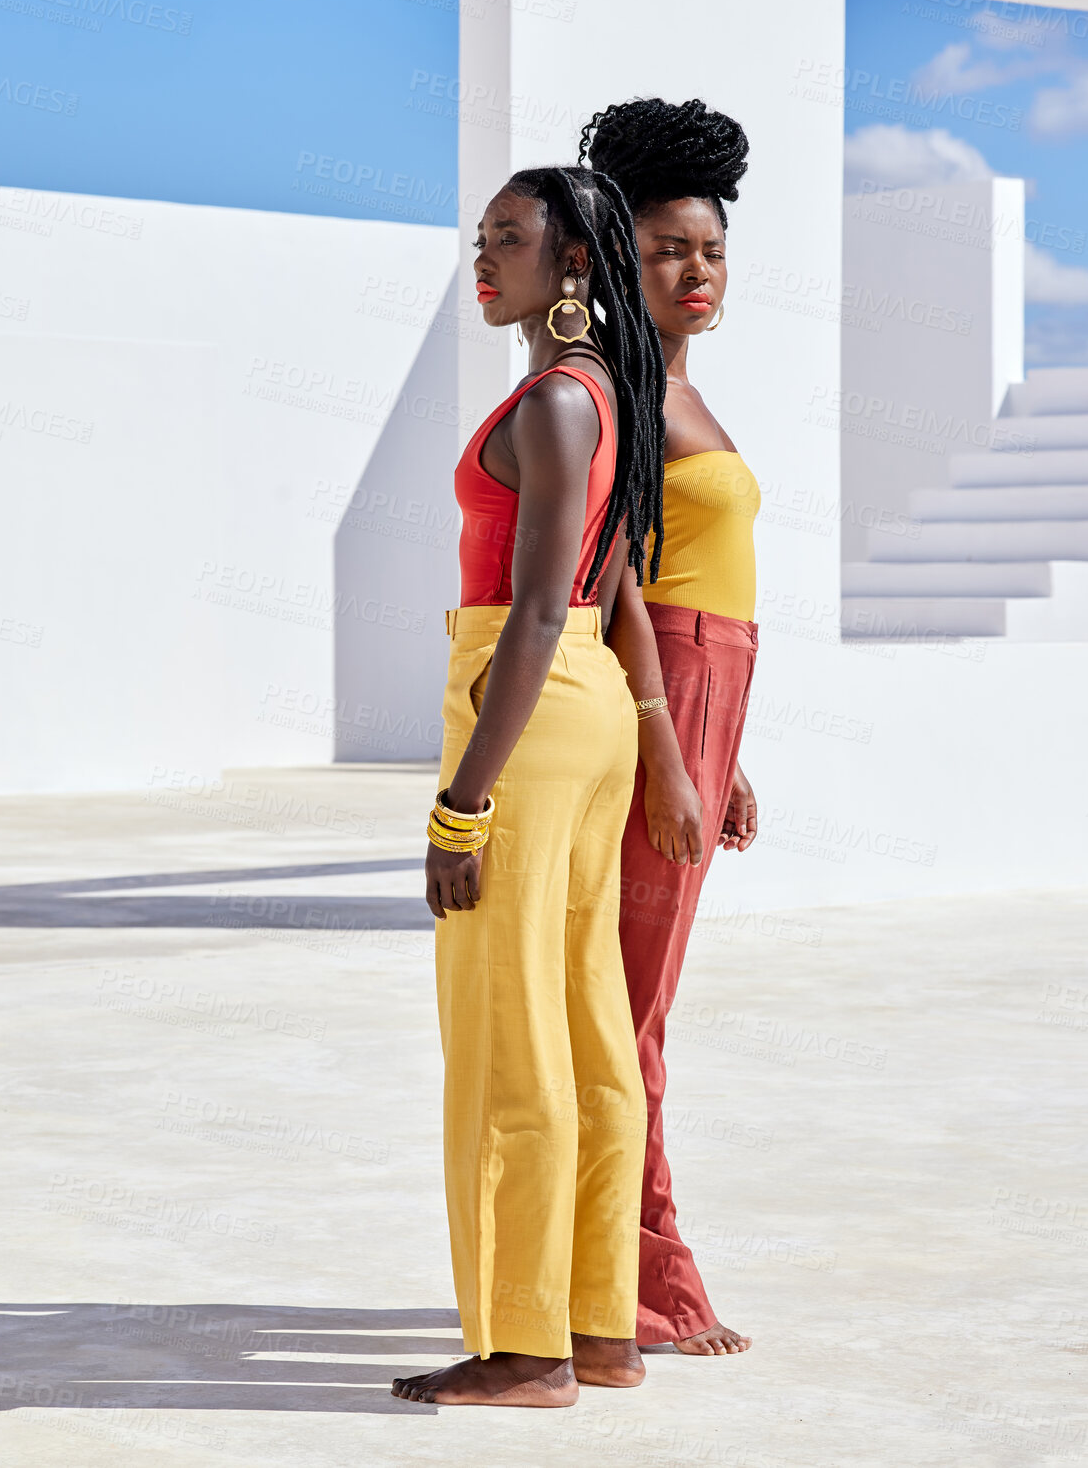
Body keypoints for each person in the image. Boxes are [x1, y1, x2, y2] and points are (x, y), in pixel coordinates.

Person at [393, 165, 667, 1408]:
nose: (483, 256)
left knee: (508, 1033)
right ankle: (597, 1327)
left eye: (512, 236)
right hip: (589, 708)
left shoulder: (558, 399)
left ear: (572, 261)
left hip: (531, 700)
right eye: (479, 235)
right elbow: (607, 601)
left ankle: (524, 1347)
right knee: (586, 1023)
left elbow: (546, 604)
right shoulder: (610, 387)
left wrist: (463, 803)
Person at [581, 98, 761, 1357]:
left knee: (637, 1005)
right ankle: (643, 1282)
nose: (693, 273)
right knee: (629, 1009)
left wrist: (724, 750)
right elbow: (616, 584)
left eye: (707, 251)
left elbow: (693, 573)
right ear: (611, 258)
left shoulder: (679, 387)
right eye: (663, 251)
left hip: (702, 701)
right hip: (661, 704)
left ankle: (607, 1265)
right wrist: (668, 747)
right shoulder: (618, 394)